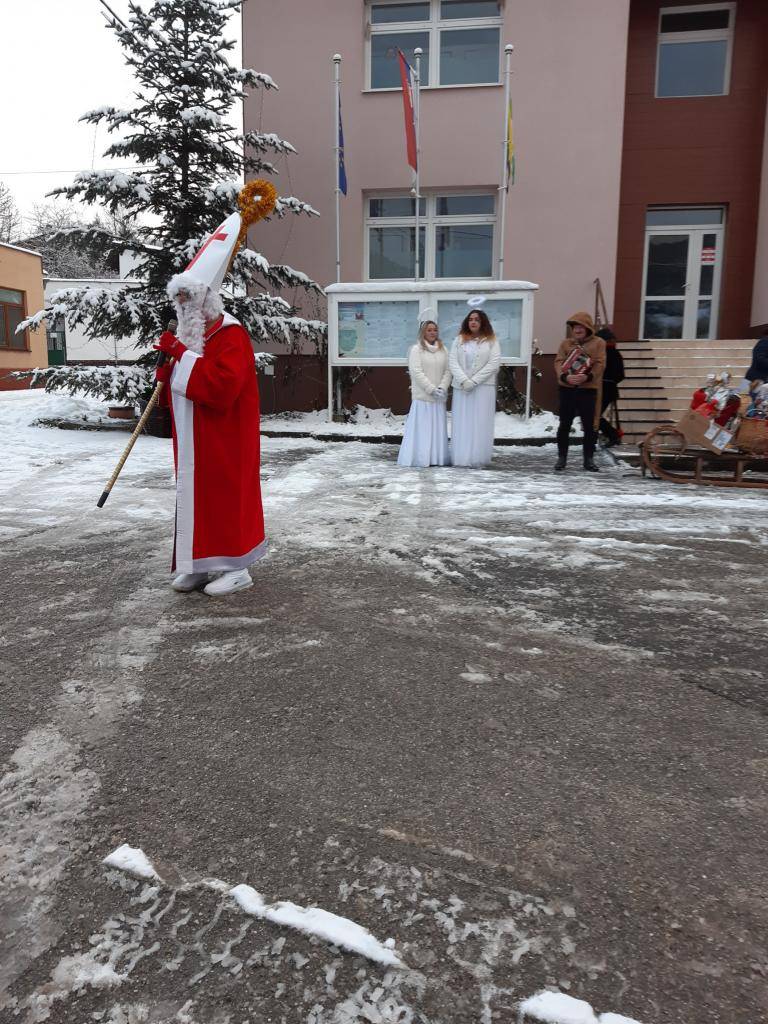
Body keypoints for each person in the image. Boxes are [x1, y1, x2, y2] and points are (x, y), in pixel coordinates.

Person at [154, 210, 266, 597]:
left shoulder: (231, 335)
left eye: (189, 299)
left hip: (226, 438)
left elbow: (221, 388)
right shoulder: (194, 337)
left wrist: (180, 359)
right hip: (197, 440)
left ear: (207, 300)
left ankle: (236, 567)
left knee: (224, 499)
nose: (184, 308)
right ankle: (198, 564)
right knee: (197, 499)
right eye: (179, 301)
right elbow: (190, 377)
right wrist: (167, 374)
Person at [449, 305, 501, 467]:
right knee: (463, 422)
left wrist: (474, 381)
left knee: (480, 422)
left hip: (483, 388)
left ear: (483, 322)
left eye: (477, 319)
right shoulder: (458, 340)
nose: (473, 322)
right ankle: (462, 457)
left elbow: (494, 363)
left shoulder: (492, 340)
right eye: (470, 319)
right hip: (462, 387)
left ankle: (478, 458)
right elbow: (452, 361)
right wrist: (464, 380)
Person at [553, 311, 606, 472]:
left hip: (588, 389)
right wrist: (564, 377)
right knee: (564, 424)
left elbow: (600, 364)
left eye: (580, 326)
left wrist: (587, 377)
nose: (577, 330)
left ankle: (588, 459)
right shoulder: (565, 344)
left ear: (588, 327)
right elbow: (558, 361)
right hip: (567, 389)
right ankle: (562, 458)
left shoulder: (598, 343)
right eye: (574, 327)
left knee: (590, 426)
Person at [397, 319, 451, 467]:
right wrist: (431, 389)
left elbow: (448, 371)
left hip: (438, 398)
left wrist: (442, 388)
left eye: (435, 330)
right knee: (422, 432)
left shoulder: (444, 350)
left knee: (436, 432)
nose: (432, 332)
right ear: (423, 332)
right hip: (423, 398)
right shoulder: (416, 350)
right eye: (429, 330)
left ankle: (436, 458)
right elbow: (416, 372)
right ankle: (420, 458)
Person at [596, 326, 625, 447]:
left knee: (594, 416)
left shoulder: (602, 354)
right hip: (610, 389)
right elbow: (621, 375)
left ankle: (613, 435)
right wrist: (612, 382)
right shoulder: (616, 354)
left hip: (603, 389)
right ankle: (612, 435)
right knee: (594, 416)